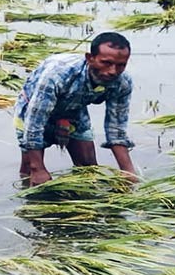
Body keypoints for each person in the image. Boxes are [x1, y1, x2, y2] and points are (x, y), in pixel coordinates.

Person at [14, 31, 137, 187]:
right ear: (90, 58)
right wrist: (37, 168)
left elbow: (116, 128)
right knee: (31, 172)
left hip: (73, 109)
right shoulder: (58, 75)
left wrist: (128, 171)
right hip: (32, 110)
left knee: (89, 170)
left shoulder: (122, 83)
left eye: (121, 65)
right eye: (106, 63)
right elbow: (34, 123)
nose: (113, 71)